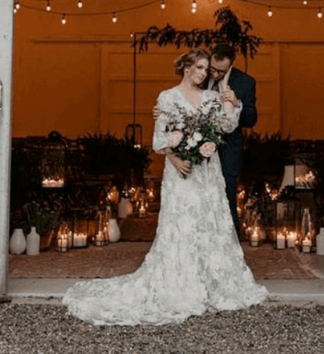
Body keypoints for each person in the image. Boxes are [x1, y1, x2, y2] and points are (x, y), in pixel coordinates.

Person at [63, 49, 268, 326]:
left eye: (206, 69)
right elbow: (159, 140)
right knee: (181, 226)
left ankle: (209, 281)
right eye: (199, 67)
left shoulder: (211, 97)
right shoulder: (167, 98)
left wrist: (233, 102)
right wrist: (175, 157)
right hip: (181, 173)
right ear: (185, 67)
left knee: (208, 225)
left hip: (207, 173)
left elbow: (227, 125)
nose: (203, 73)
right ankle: (179, 283)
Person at [207, 43, 258, 240]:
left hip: (229, 150)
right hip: (200, 149)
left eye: (221, 71)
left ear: (231, 65)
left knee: (227, 195)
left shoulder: (245, 82)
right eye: (213, 69)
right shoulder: (201, 76)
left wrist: (238, 104)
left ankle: (231, 245)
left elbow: (252, 119)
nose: (215, 74)